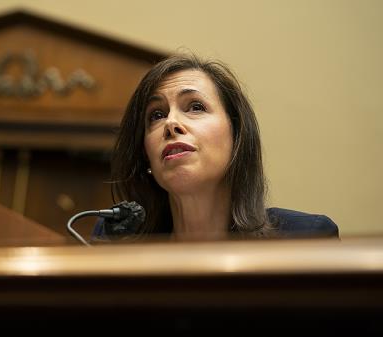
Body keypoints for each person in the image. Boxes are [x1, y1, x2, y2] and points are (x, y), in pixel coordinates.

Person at [93, 53, 338, 242]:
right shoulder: (114, 240)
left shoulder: (305, 237)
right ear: (145, 155)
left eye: (195, 107)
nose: (171, 123)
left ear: (237, 136)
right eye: (156, 115)